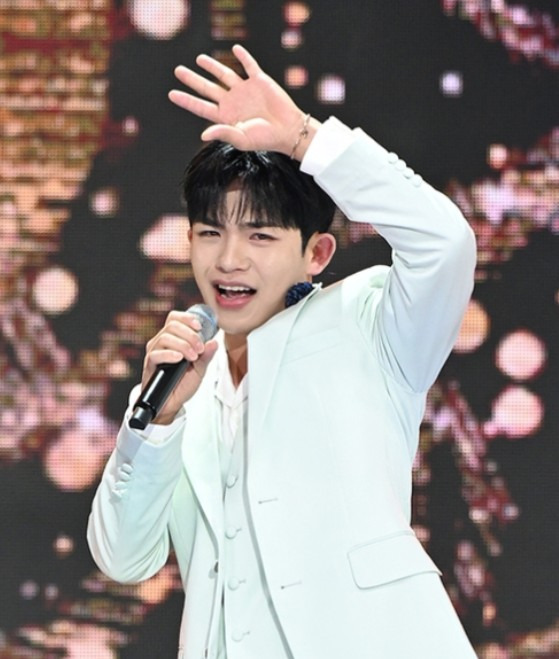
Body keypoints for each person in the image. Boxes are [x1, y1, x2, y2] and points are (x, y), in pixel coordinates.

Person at [87, 45, 477, 658]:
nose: (230, 259)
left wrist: (303, 137)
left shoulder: (369, 323)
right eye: (211, 233)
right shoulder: (184, 385)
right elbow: (123, 558)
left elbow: (445, 242)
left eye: (260, 236)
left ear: (316, 254)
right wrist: (156, 422)